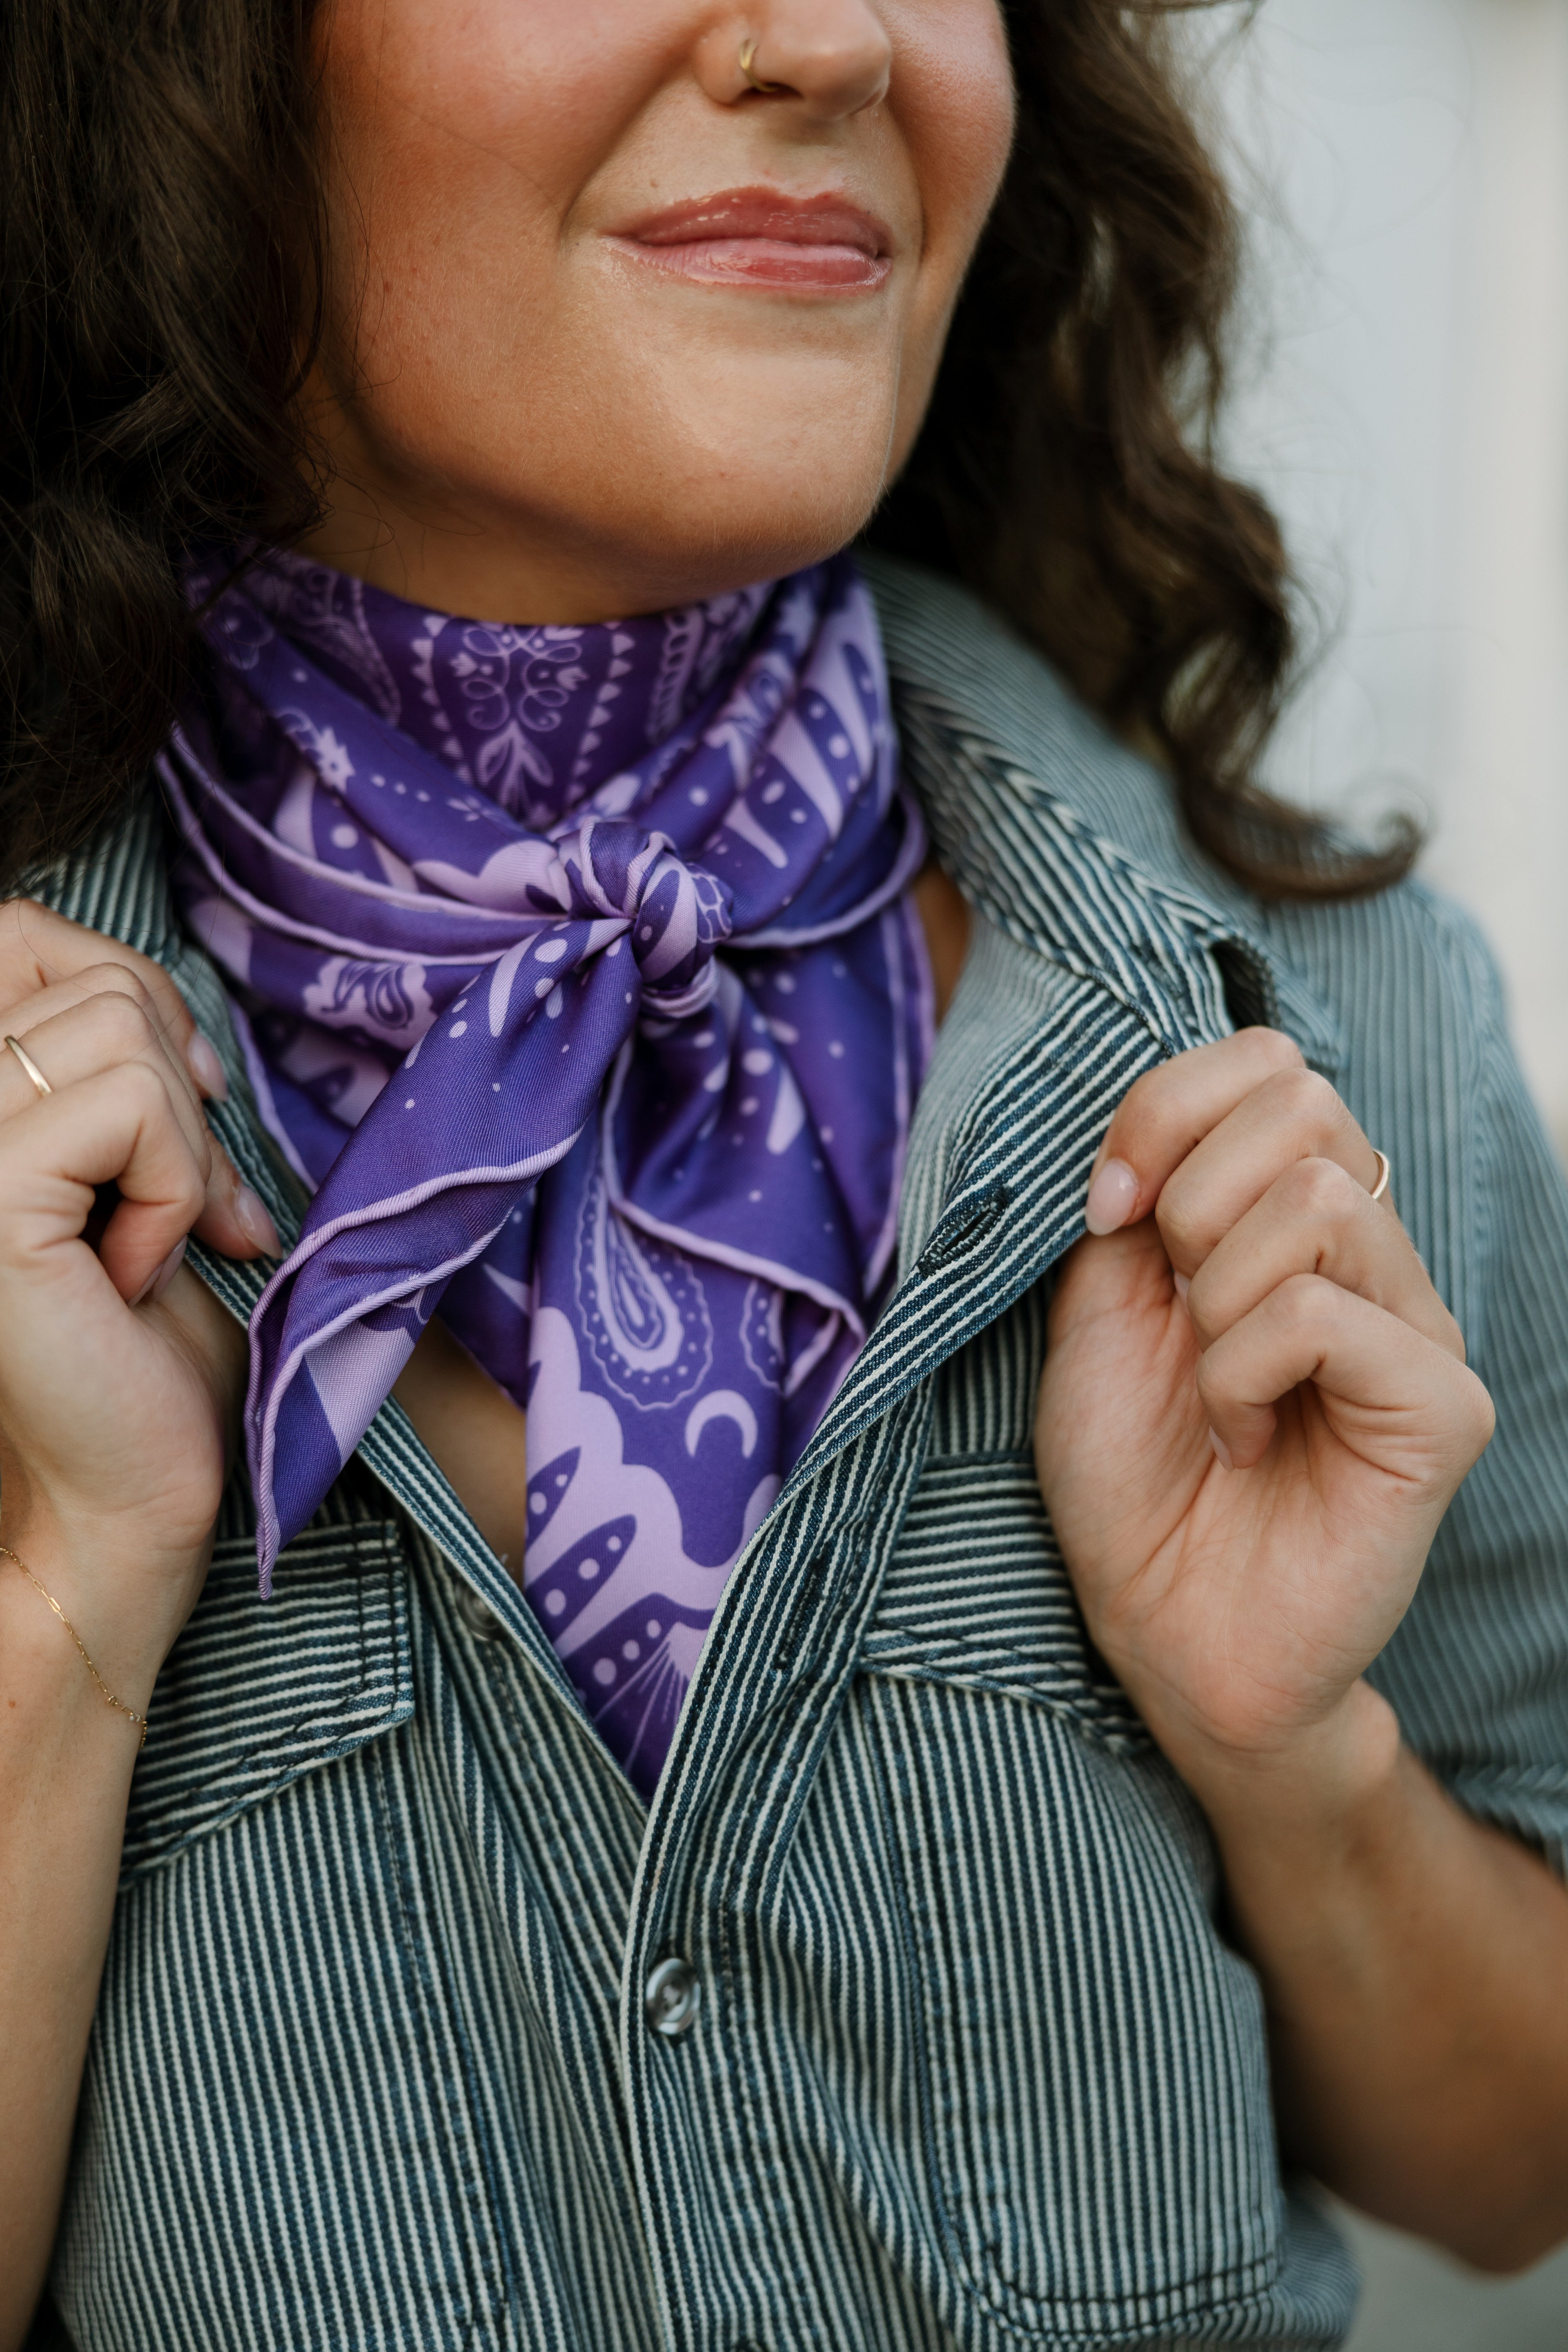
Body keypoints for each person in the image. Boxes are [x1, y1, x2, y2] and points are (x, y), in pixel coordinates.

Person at [2, 2, 1567, 2345]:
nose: (833, 38)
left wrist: (1290, 1755)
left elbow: (1517, 2164)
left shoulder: (1334, 1030)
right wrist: (61, 1622)